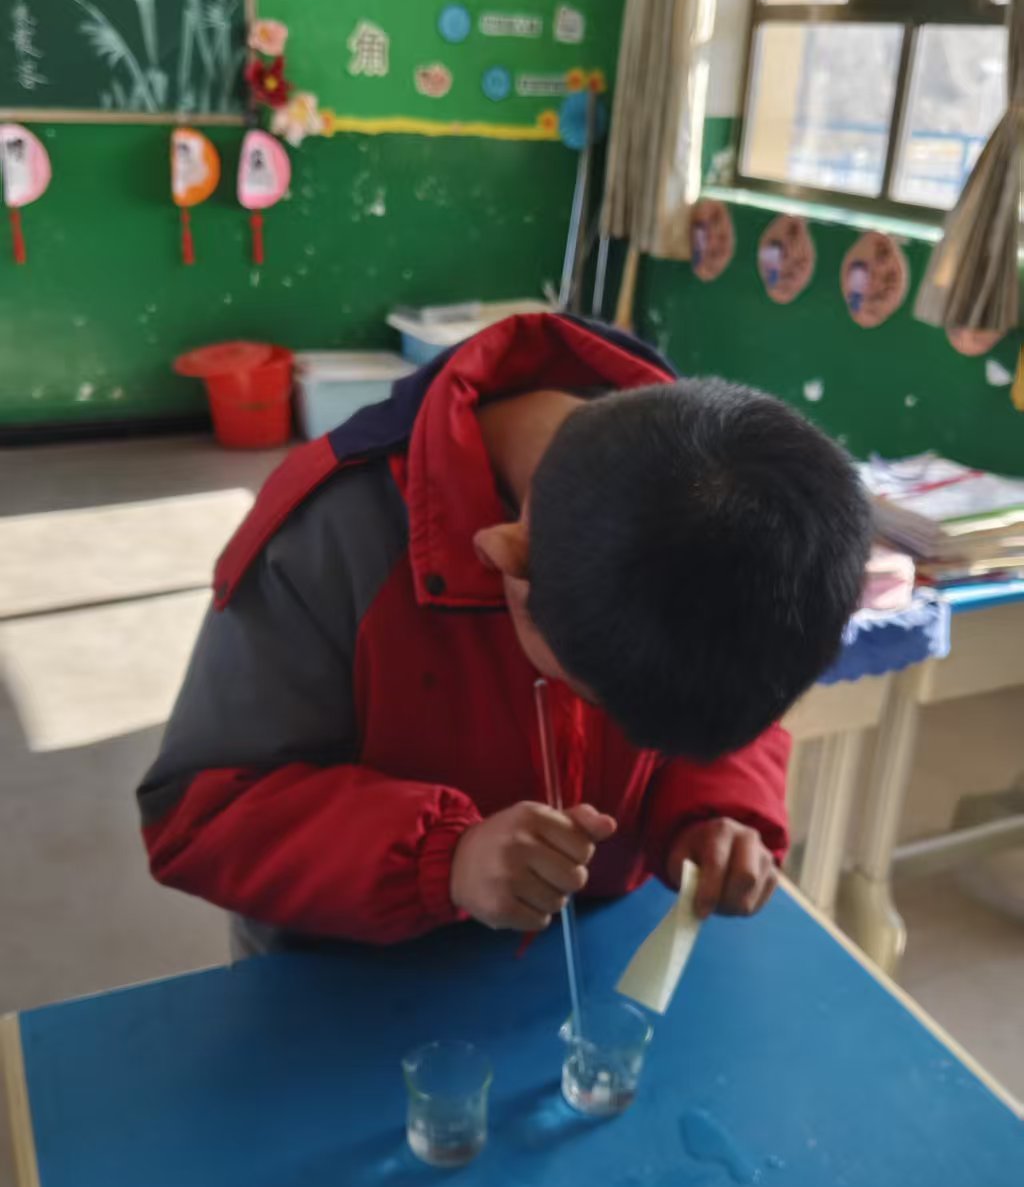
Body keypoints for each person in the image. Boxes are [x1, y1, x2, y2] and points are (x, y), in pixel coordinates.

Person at [138, 314, 870, 957]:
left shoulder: (723, 498)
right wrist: (444, 859)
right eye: (604, 703)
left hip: (584, 953)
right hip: (351, 982)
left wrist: (717, 810)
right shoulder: (326, 541)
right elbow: (202, 815)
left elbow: (718, 692)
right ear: (505, 561)